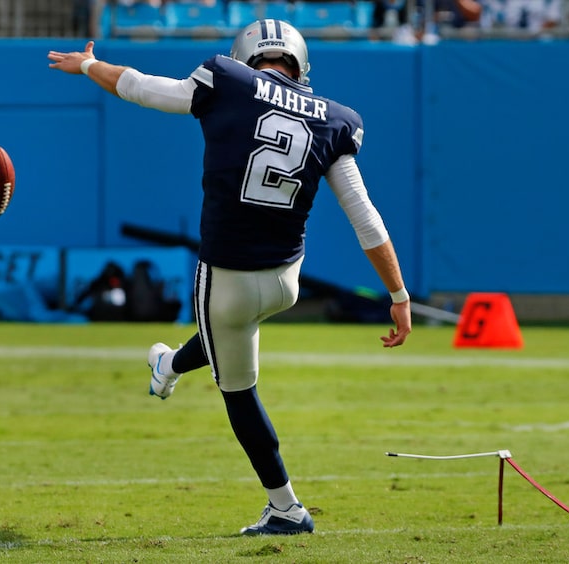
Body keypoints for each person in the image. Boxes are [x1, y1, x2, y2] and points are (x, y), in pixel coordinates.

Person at [48, 19, 412, 536]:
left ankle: (286, 508)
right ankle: (169, 365)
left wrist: (88, 64)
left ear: (245, 54)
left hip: (227, 278)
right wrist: (398, 295)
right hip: (286, 280)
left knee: (238, 389)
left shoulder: (227, 79)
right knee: (229, 335)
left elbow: (141, 88)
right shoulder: (336, 119)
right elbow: (366, 219)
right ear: (299, 63)